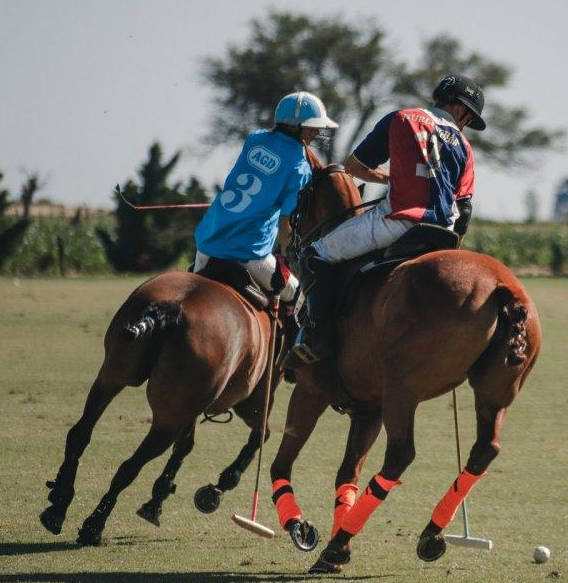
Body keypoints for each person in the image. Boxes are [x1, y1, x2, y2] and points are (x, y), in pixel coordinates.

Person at [287, 74, 485, 366]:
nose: (465, 124)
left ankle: (319, 337)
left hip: (399, 222)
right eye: (468, 118)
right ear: (460, 110)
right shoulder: (465, 147)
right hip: (443, 232)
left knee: (315, 253)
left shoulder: (402, 118)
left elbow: (353, 167)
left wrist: (390, 177)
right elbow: (463, 209)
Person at [192, 91, 338, 304]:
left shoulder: (254, 139)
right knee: (300, 300)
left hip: (207, 241)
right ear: (293, 126)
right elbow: (285, 226)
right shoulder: (299, 167)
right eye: (311, 125)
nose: (317, 131)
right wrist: (290, 258)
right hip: (248, 251)